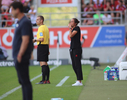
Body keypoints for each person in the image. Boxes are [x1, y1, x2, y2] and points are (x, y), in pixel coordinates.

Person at [10, 2, 33, 100]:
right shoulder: (20, 22)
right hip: (19, 56)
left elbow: (26, 40)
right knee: (22, 81)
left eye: (11, 9)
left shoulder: (25, 22)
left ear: (17, 10)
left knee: (25, 81)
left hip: (21, 57)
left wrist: (20, 55)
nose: (10, 12)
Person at [33, 15, 50, 84]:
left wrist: (34, 40)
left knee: (42, 63)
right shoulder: (46, 28)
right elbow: (48, 40)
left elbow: (41, 39)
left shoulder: (40, 28)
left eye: (37, 19)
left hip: (41, 46)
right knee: (45, 63)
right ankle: (47, 80)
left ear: (41, 21)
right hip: (45, 46)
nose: (36, 21)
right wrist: (48, 49)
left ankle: (43, 80)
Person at [68, 18, 83, 86]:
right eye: (70, 21)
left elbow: (71, 35)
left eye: (72, 21)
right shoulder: (73, 29)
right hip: (72, 48)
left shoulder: (77, 28)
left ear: (75, 23)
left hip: (77, 49)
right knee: (74, 65)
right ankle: (78, 79)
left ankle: (79, 81)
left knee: (77, 64)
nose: (70, 23)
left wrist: (69, 29)